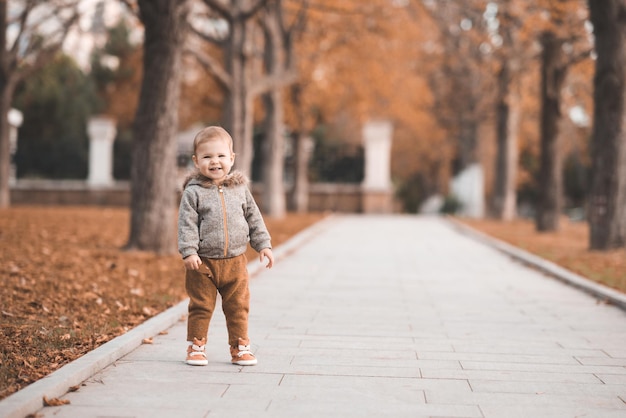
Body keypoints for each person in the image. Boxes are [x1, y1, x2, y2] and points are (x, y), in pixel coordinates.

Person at [178, 125, 274, 367]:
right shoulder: (193, 192)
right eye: (207, 157)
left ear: (231, 158)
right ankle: (196, 346)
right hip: (203, 264)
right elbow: (186, 224)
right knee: (201, 306)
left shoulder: (240, 189)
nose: (215, 162)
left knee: (238, 306)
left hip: (236, 262)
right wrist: (189, 251)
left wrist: (264, 245)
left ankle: (240, 347)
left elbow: (254, 218)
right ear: (196, 161)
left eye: (221, 156)